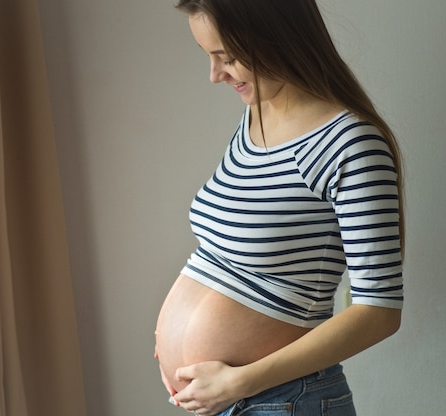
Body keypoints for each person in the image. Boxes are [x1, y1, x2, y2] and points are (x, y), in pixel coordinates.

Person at [154, 1, 404, 415]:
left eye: (228, 58)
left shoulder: (351, 144)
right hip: (226, 400)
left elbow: (379, 311)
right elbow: (227, 248)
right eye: (210, 56)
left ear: (278, 38)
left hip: (282, 400)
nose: (215, 75)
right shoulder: (255, 117)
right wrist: (171, 336)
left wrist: (238, 380)